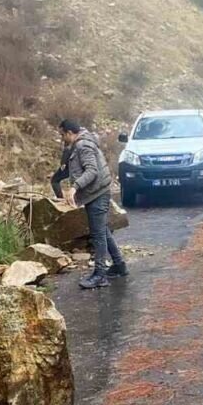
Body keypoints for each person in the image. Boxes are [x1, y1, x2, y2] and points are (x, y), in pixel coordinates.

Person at [56, 119, 127, 289]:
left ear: (70, 133)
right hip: (95, 193)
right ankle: (119, 265)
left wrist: (74, 188)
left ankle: (100, 275)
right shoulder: (83, 142)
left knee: (98, 235)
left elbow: (92, 171)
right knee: (102, 231)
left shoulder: (83, 146)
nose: (62, 138)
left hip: (97, 194)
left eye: (62, 135)